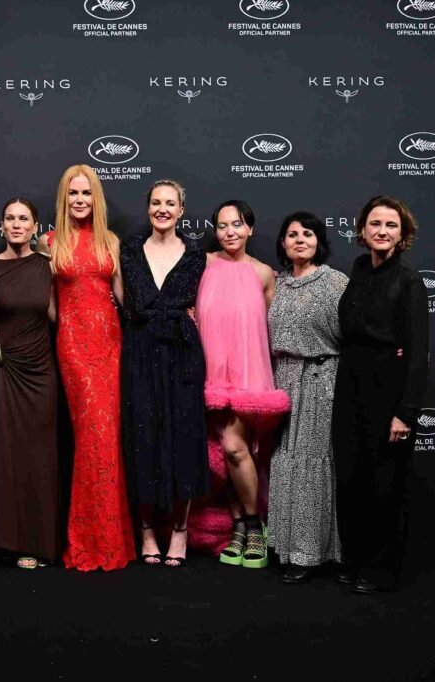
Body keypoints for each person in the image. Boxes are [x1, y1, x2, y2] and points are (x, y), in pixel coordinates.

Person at [38, 164, 135, 571]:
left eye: (87, 193)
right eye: (73, 194)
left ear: (97, 198)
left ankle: (113, 539)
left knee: (108, 436)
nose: (80, 200)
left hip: (111, 343)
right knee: (91, 434)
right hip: (74, 346)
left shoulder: (110, 241)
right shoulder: (49, 242)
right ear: (64, 198)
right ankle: (87, 541)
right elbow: (44, 300)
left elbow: (124, 298)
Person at [332, 195, 428, 594]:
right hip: (351, 380)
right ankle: (354, 559)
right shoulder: (357, 270)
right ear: (362, 230)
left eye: (391, 225)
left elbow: (418, 352)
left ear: (402, 234)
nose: (382, 231)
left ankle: (382, 568)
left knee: (385, 482)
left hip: (387, 388)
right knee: (352, 477)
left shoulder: (409, 282)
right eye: (375, 224)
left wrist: (405, 412)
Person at [191, 200, 290, 570]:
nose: (229, 231)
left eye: (237, 224)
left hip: (249, 376)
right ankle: (237, 526)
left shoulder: (264, 273)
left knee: (236, 448)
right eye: (222, 225)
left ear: (250, 228)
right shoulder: (203, 264)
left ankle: (254, 525)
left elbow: (274, 327)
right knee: (218, 454)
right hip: (207, 374)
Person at [119, 180, 208, 567]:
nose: (162, 209)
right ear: (148, 208)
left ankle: (180, 530)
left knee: (184, 437)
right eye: (156, 203)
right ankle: (146, 530)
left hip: (181, 354)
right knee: (142, 437)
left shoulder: (196, 255)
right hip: (139, 352)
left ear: (182, 210)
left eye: (170, 203)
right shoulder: (128, 252)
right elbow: (121, 301)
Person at [0, 198, 61, 569]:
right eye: (9, 218)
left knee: (41, 456)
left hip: (42, 371)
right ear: (2, 225)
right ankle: (11, 542)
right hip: (6, 370)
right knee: (9, 457)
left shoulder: (48, 267)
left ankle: (42, 544)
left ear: (35, 226)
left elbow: (59, 316)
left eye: (23, 218)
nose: (15, 224)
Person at [266, 211, 348, 584]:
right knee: (286, 464)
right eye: (292, 234)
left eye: (308, 234)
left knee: (313, 465)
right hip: (282, 381)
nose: (300, 239)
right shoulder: (276, 284)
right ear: (282, 243)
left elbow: (354, 337)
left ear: (319, 242)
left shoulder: (335, 283)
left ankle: (310, 552)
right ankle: (284, 546)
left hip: (320, 380)